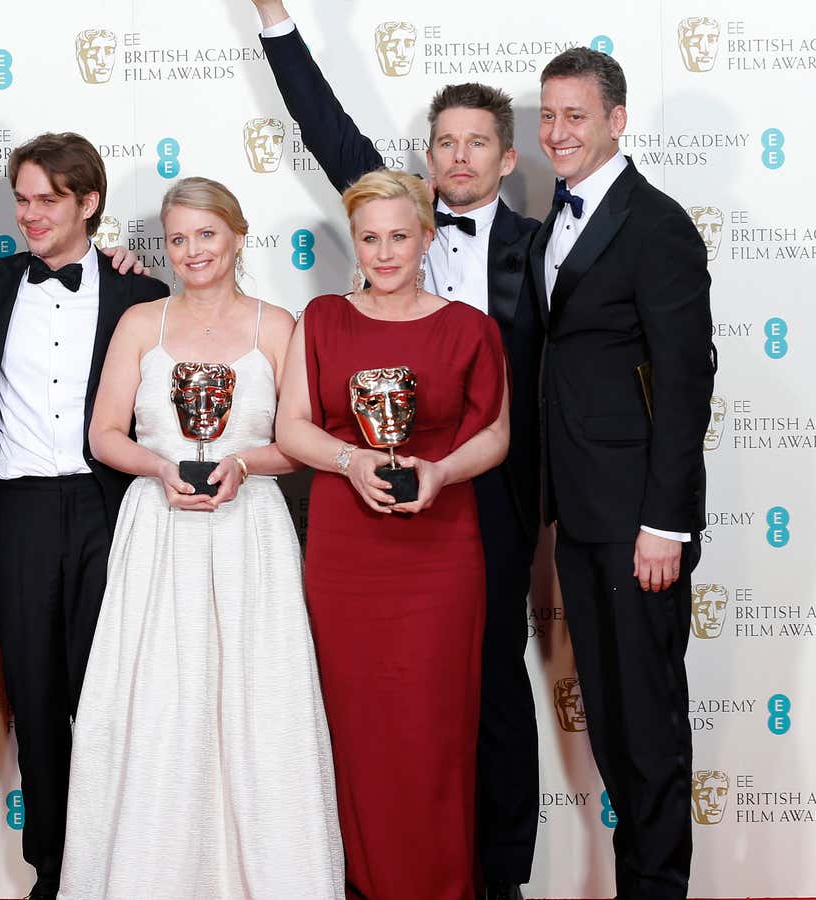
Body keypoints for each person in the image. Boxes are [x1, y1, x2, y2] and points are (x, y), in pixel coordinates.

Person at [245, 6, 544, 894]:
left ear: (506, 157)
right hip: (365, 502)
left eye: (477, 142)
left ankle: (495, 874)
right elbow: (320, 116)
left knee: (485, 691)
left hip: (489, 490)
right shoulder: (382, 210)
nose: (458, 156)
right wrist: (275, 18)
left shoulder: (546, 248)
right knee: (373, 700)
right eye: (444, 141)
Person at [59, 177, 344, 899]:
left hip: (250, 532)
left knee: (260, 706)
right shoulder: (140, 324)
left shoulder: (279, 325)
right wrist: (160, 468)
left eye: (206, 235)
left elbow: (300, 441)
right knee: (154, 708)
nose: (193, 251)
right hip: (159, 534)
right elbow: (103, 434)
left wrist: (243, 464)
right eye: (178, 238)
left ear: (238, 236)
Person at [275, 169, 509, 900]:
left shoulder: (472, 328)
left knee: (433, 729)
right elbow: (292, 429)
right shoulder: (321, 319)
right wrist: (353, 462)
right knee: (357, 727)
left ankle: (441, 885)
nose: (383, 252)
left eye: (399, 236)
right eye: (369, 238)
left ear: (427, 238)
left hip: (440, 551)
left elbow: (496, 435)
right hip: (346, 553)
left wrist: (437, 474)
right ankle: (361, 884)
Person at [531, 47, 714, 900]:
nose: (558, 132)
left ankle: (657, 890)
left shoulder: (658, 223)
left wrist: (666, 524)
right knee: (610, 720)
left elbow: (684, 380)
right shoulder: (549, 223)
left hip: (640, 524)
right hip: (579, 514)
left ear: (616, 121)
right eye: (548, 115)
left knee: (649, 728)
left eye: (575, 115)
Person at [0, 132, 168, 900]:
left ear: (89, 203)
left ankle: (120, 865)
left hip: (108, 509)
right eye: (22, 199)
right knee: (37, 698)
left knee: (112, 697)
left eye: (48, 199)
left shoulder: (140, 294)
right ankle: (53, 871)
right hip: (15, 510)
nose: (31, 214)